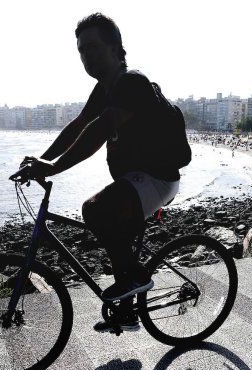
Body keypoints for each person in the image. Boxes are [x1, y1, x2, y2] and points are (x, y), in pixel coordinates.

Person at [23, 13, 188, 331]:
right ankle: (127, 314)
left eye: (94, 47)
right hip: (136, 181)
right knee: (116, 242)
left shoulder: (131, 83)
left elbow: (100, 129)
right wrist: (39, 162)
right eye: (82, 50)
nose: (87, 56)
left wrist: (55, 167)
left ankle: (138, 277)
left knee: (94, 209)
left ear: (116, 48)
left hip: (157, 179)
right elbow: (78, 126)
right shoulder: (104, 89)